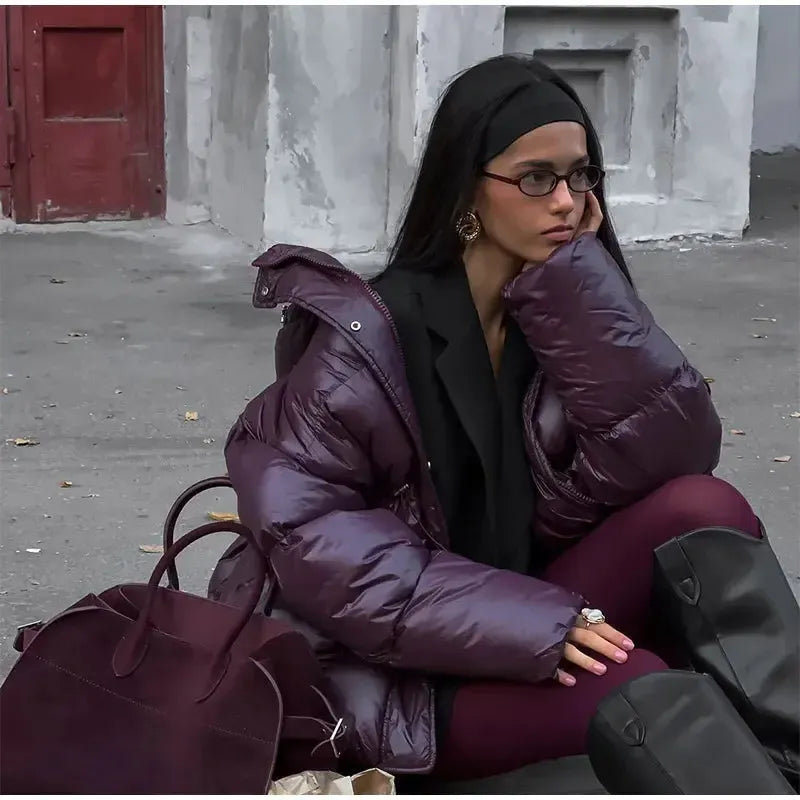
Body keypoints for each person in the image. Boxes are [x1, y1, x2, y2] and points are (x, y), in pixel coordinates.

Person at [208, 55, 798, 789]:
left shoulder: (552, 311)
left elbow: (672, 450)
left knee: (706, 509)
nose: (564, 201)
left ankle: (788, 759)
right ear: (468, 192)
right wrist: (541, 625)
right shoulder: (359, 350)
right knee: (635, 686)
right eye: (535, 179)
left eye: (580, 177)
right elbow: (332, 561)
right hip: (402, 680)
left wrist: (581, 288)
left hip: (524, 612)